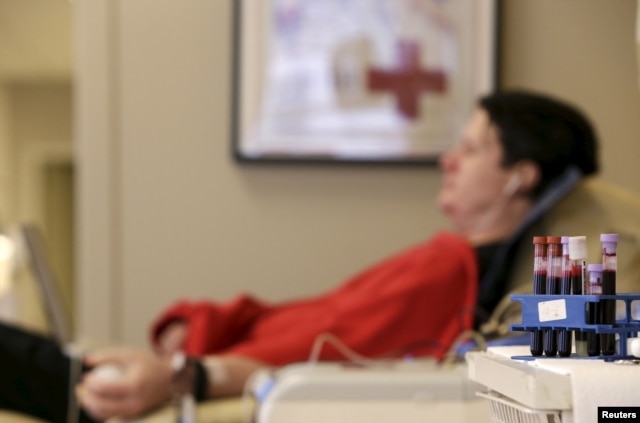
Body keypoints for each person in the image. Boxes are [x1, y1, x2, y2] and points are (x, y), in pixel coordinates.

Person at [0, 89, 620, 423]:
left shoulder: (449, 270)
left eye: (470, 148)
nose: (447, 161)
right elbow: (324, 323)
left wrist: (187, 373)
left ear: (520, 177)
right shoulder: (451, 262)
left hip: (187, 387)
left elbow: (325, 342)